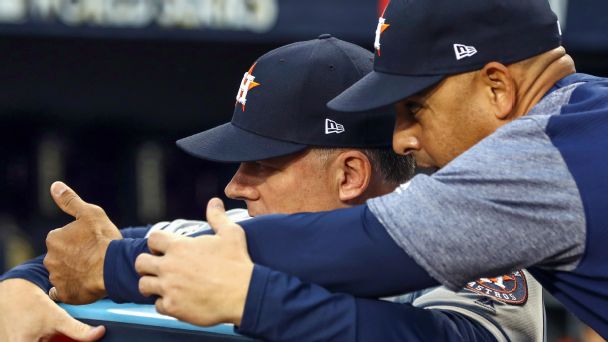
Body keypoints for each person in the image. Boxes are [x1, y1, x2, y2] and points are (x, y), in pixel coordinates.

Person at [0, 36, 545, 341]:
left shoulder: (474, 249)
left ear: (350, 175)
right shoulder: (228, 235)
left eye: (260, 165)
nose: (237, 187)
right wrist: (25, 285)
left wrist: (253, 299)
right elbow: (82, 260)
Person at [131, 0, 608, 339]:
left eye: (415, 109)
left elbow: (368, 249)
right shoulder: (585, 122)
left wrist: (252, 299)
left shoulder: (543, 161)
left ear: (498, 87)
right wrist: (69, 271)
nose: (402, 138)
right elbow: (95, 253)